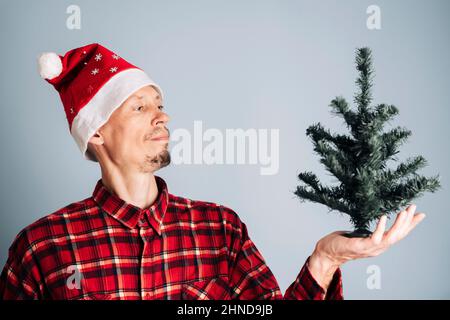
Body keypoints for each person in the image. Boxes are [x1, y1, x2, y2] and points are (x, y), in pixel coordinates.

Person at [0, 43, 426, 300]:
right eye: (140, 107)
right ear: (97, 133)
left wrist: (326, 259)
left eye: (160, 105)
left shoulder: (220, 230)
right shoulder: (42, 248)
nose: (161, 118)